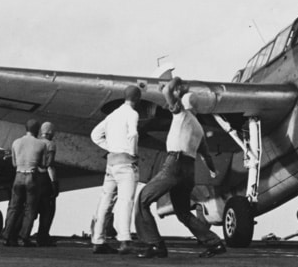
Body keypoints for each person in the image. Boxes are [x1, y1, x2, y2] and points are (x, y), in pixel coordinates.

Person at [134, 91, 226, 258]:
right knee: (183, 212)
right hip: (189, 170)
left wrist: (172, 81)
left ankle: (155, 245)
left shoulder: (181, 114)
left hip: (174, 164)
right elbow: (206, 155)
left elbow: (167, 91)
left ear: (183, 105)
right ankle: (215, 243)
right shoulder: (198, 128)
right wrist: (212, 171)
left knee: (143, 200)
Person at [91, 85, 142, 254]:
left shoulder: (112, 115)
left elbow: (95, 135)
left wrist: (111, 147)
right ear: (138, 99)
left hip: (111, 163)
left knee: (106, 201)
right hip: (126, 164)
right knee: (125, 201)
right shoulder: (132, 114)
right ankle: (125, 240)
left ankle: (98, 240)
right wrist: (132, 153)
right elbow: (133, 134)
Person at [3, 119, 53, 247]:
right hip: (32, 176)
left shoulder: (16, 142)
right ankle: (24, 237)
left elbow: (14, 163)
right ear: (38, 130)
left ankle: (7, 236)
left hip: (18, 175)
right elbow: (43, 165)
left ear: (26, 128)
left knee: (13, 207)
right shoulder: (41, 145)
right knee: (30, 209)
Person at [32, 122, 59, 245]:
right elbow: (50, 165)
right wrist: (54, 183)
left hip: (32, 177)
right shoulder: (50, 144)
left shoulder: (34, 142)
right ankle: (43, 237)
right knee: (48, 210)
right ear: (51, 132)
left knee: (31, 209)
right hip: (44, 178)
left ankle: (23, 234)